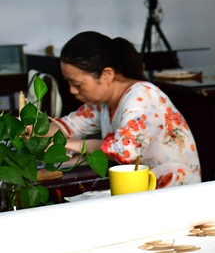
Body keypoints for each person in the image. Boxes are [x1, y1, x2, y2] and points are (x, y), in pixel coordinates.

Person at [52, 32, 201, 188]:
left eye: (77, 84)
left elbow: (123, 151)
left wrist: (74, 144)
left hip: (175, 191)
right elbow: (68, 126)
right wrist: (34, 131)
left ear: (107, 75)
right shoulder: (102, 102)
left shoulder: (141, 97)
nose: (72, 91)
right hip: (141, 185)